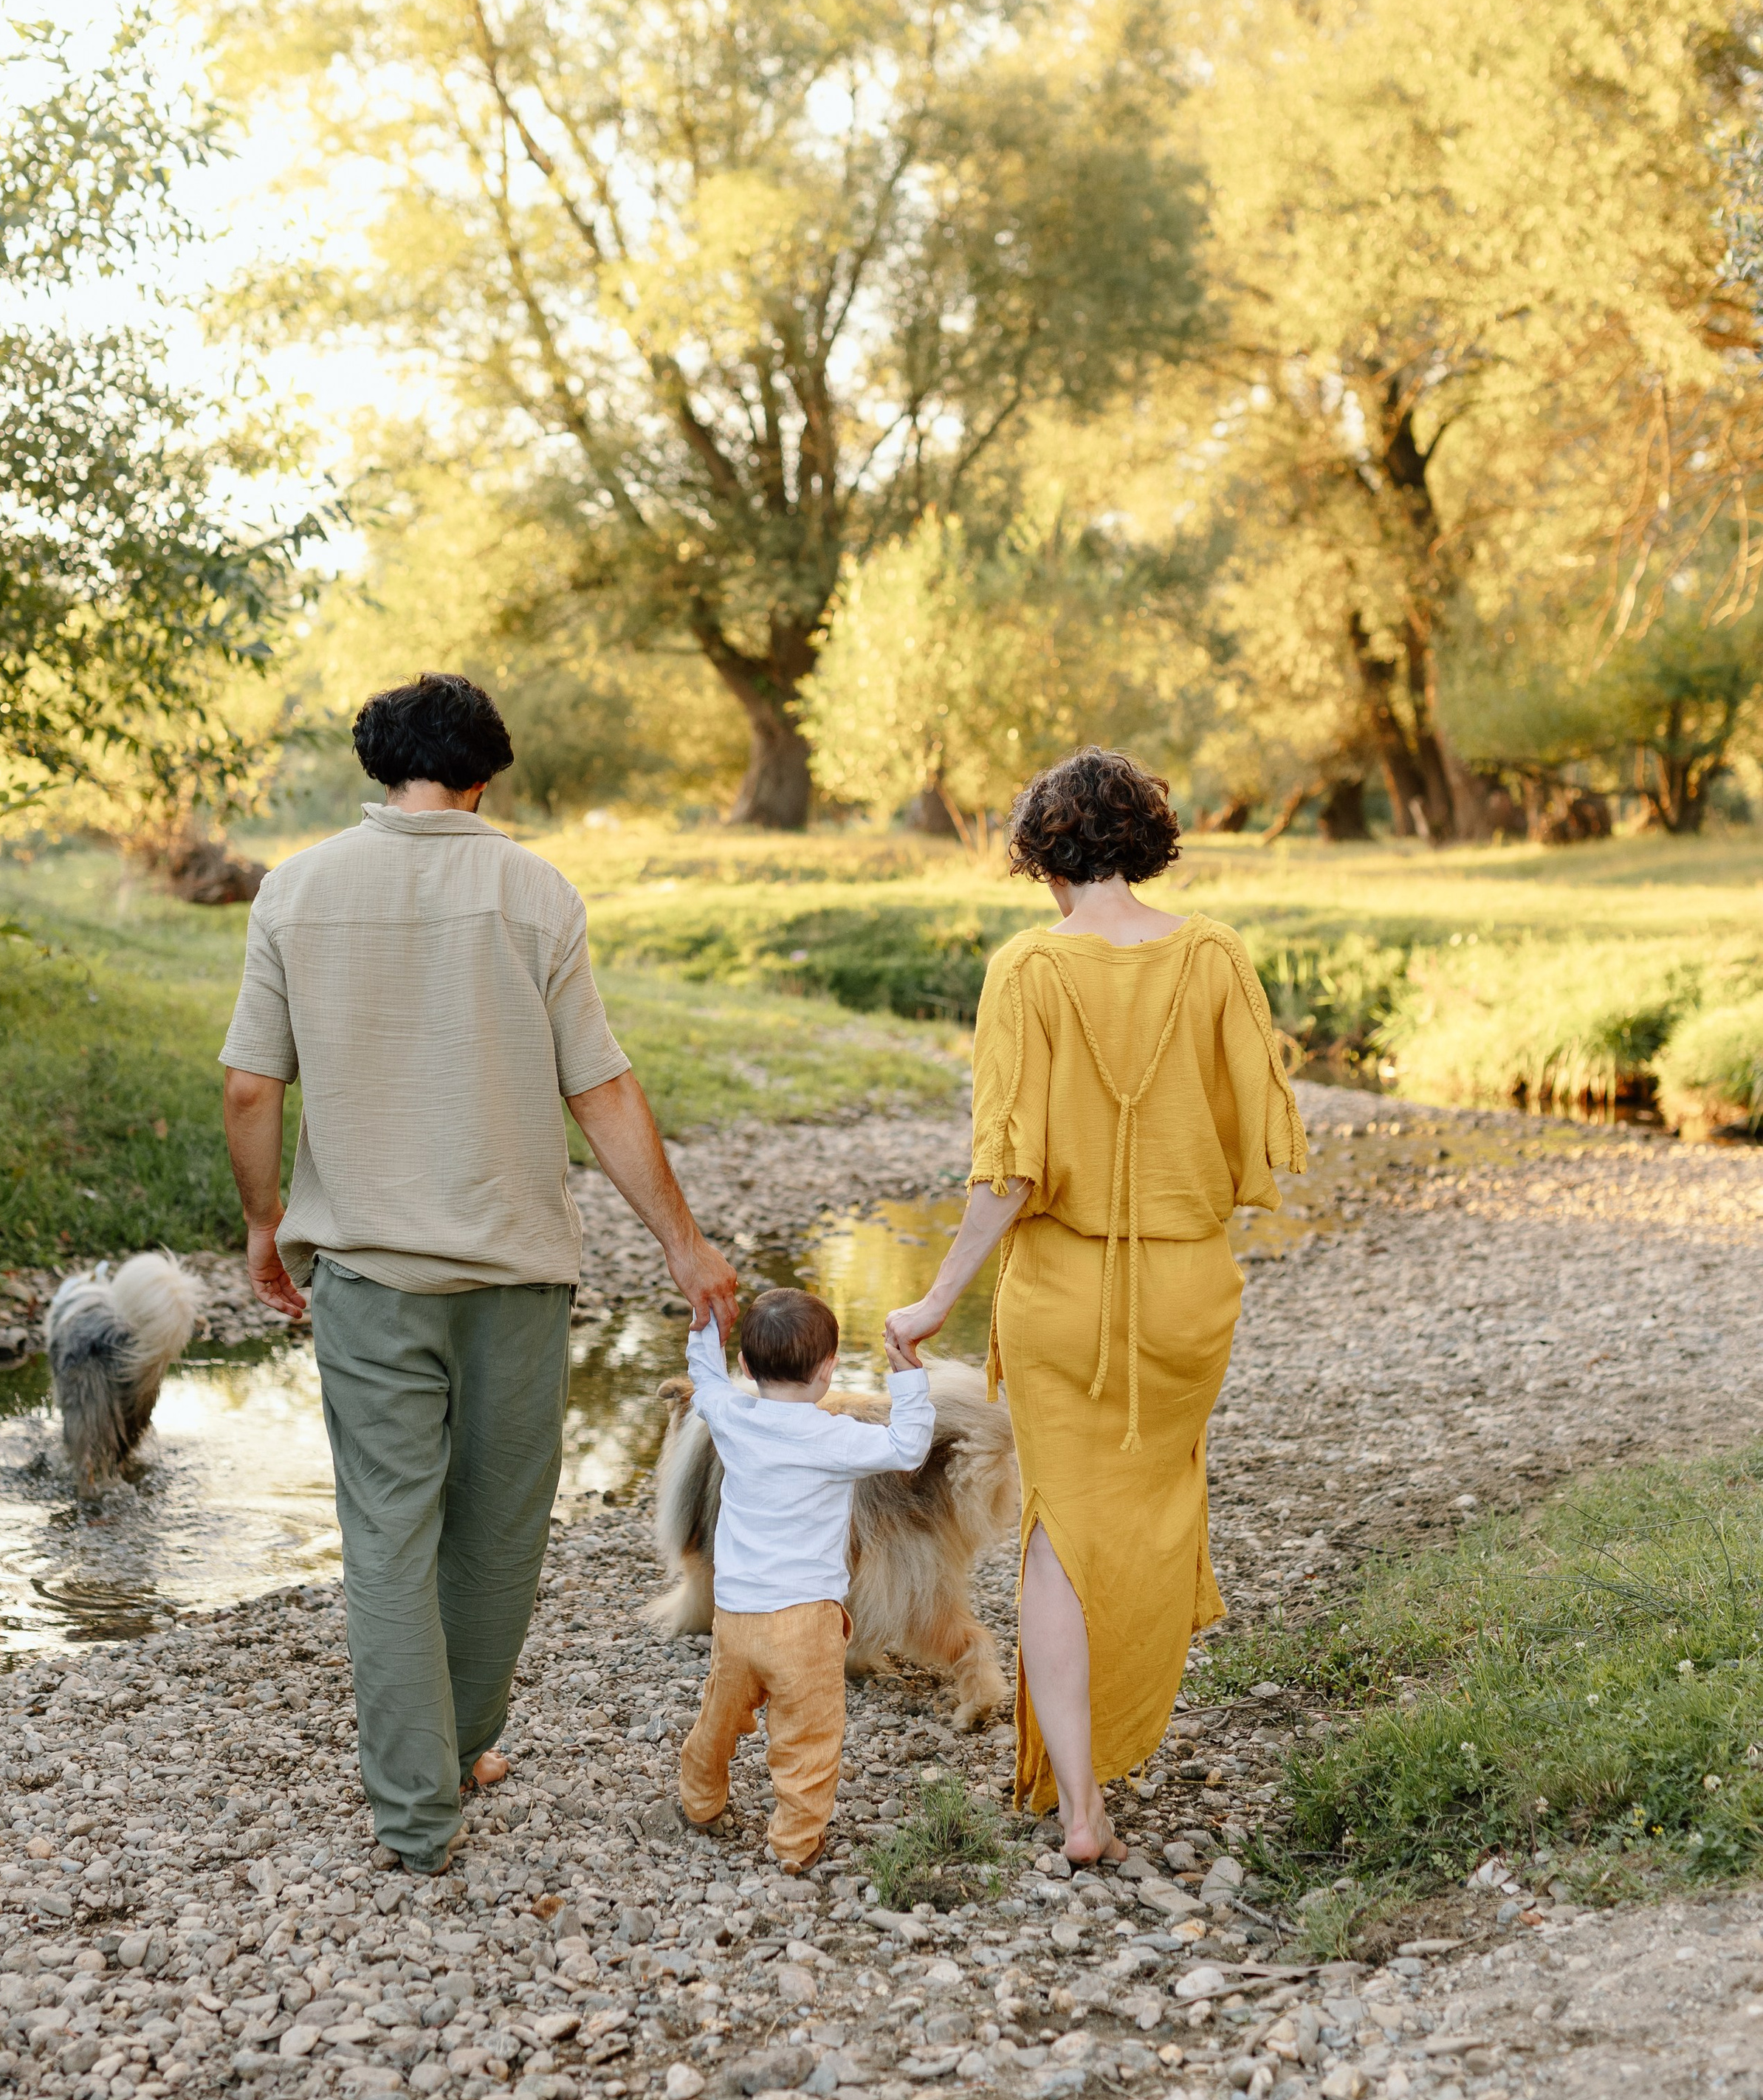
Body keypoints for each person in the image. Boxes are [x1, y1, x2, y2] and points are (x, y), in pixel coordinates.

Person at [219, 672, 737, 1877]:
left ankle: (417, 1812)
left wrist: (264, 1223)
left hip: (366, 1272)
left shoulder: (296, 889)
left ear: (375, 768)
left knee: (388, 1535)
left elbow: (251, 1084)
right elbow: (599, 1086)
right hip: (515, 1270)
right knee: (498, 1532)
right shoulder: (535, 889)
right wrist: (682, 1241)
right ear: (484, 779)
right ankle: (459, 1748)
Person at [884, 747, 1305, 1865]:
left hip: (1063, 1294)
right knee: (1157, 1507)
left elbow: (1009, 1172)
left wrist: (934, 1300)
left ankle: (1082, 1811)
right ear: (1147, 840)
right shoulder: (1214, 954)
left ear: (1044, 854)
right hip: (1184, 1291)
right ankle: (1125, 1723)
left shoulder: (1029, 968)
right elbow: (1251, 1133)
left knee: (1060, 1536)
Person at [678, 1286, 934, 1870]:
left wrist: (706, 1327)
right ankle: (795, 1844)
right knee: (807, 1740)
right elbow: (909, 1444)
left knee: (719, 1717)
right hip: (807, 1624)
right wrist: (908, 1374)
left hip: (737, 1614)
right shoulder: (835, 1437)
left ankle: (699, 1800)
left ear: (746, 1366)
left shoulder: (732, 1415)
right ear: (828, 1370)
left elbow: (704, 1380)